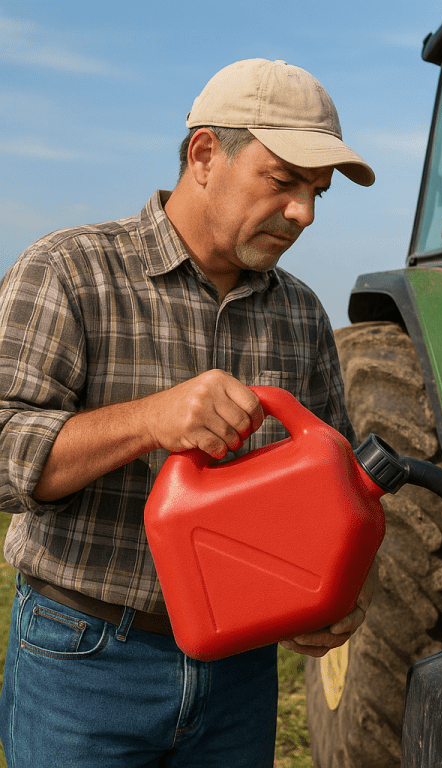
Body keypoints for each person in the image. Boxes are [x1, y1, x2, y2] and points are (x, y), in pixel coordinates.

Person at [0, 58, 376, 767]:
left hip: (240, 670)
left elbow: (339, 487)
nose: (305, 213)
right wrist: (149, 420)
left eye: (317, 192)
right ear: (204, 155)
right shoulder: (68, 270)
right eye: (284, 181)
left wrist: (334, 591)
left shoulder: (300, 313)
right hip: (85, 660)